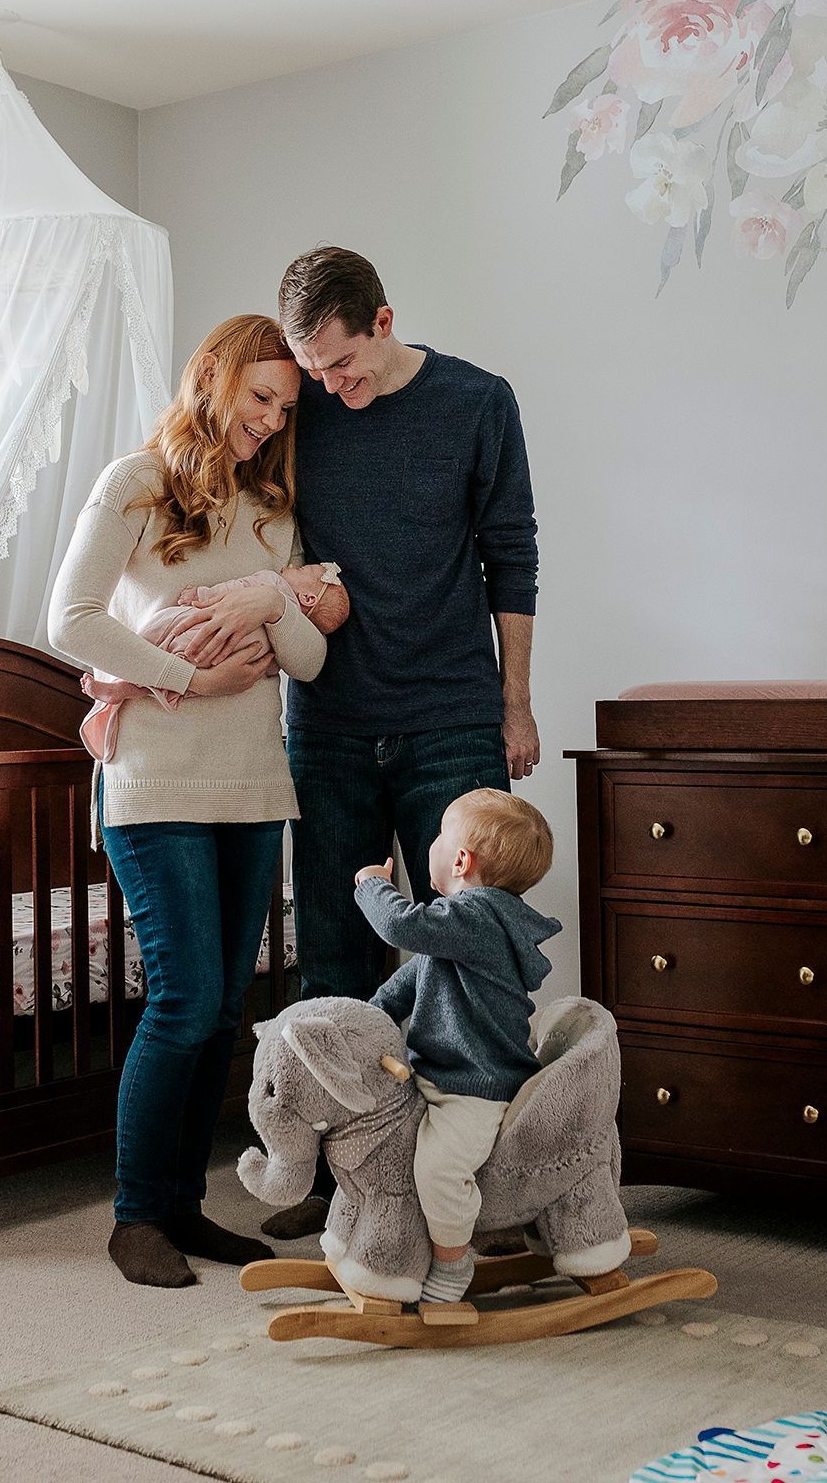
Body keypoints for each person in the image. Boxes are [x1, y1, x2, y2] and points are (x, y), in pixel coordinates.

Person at [263, 245, 540, 1237]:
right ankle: (348, 1186)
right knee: (332, 955)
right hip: (329, 725)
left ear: (383, 323)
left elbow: (510, 552)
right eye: (312, 372)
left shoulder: (475, 401)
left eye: (342, 367)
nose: (328, 390)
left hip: (451, 716)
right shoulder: (300, 408)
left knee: (468, 961)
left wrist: (515, 702)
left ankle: (487, 1181)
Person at [47, 313, 327, 1289]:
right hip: (157, 779)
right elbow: (70, 618)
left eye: (283, 407)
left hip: (254, 782)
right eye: (259, 397)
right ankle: (135, 1218)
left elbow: (310, 657)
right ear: (213, 379)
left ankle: (183, 1207)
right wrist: (185, 674)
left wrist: (276, 602)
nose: (268, 419)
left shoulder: (272, 511)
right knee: (181, 996)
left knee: (220, 1008)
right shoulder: (137, 482)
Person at [353, 789, 559, 1302]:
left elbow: (400, 925)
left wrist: (373, 886)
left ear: (462, 860)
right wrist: (361, 1025)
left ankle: (452, 1265)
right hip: (434, 1074)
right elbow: (404, 987)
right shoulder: (457, 925)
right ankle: (375, 1246)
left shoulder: (480, 917)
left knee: (438, 1169)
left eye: (442, 835)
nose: (435, 844)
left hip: (475, 1085)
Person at [77, 562, 349, 763]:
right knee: (180, 685)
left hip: (200, 632)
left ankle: (119, 685)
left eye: (302, 570)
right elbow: (271, 664)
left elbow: (233, 589)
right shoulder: (288, 628)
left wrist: (200, 594)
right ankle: (124, 688)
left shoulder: (273, 584)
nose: (292, 565)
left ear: (308, 598)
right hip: (228, 661)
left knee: (161, 636)